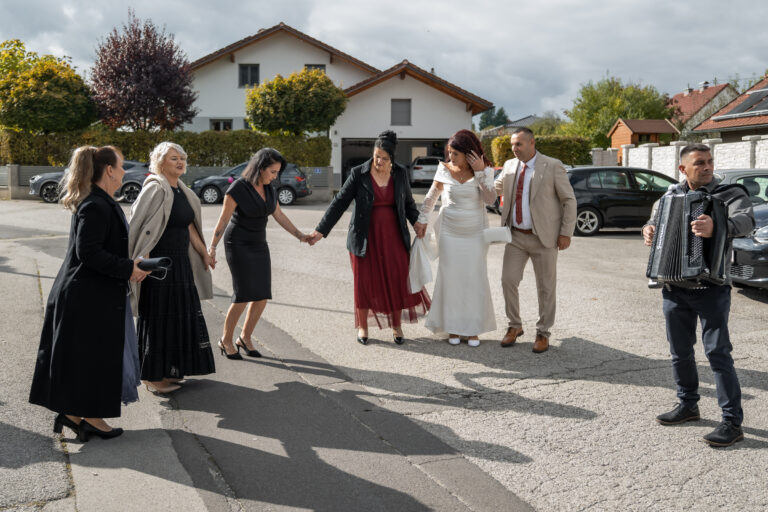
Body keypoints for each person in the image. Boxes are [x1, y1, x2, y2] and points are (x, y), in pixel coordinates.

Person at [29, 145, 150, 442]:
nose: (124, 171)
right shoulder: (95, 205)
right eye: (121, 166)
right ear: (109, 170)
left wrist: (132, 264)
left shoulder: (99, 201)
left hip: (90, 293)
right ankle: (90, 418)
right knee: (95, 358)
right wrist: (128, 268)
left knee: (90, 358)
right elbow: (89, 252)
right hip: (87, 296)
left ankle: (75, 416)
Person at [642, 143, 754, 447]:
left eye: (709, 161)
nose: (707, 167)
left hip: (712, 287)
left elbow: (747, 222)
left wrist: (718, 226)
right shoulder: (669, 196)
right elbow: (653, 222)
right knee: (680, 351)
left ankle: (732, 422)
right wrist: (648, 230)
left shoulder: (730, 194)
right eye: (699, 163)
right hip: (674, 287)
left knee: (718, 353)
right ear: (683, 169)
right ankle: (688, 405)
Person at [307, 131, 430, 344]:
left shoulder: (400, 173)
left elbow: (408, 204)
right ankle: (363, 327)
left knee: (396, 279)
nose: (379, 161)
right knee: (364, 283)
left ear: (392, 158)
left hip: (394, 237)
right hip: (364, 238)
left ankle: (396, 326)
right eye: (376, 156)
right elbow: (339, 202)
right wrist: (321, 231)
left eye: (384, 158)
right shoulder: (359, 173)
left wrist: (416, 222)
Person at [129, 142, 215, 393]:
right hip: (159, 266)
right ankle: (152, 377)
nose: (180, 162)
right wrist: (142, 261)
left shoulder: (182, 191)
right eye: (173, 158)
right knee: (160, 319)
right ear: (160, 162)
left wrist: (205, 253)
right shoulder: (155, 188)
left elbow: (188, 226)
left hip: (181, 263)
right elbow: (140, 225)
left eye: (182, 158)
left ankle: (170, 370)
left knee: (179, 318)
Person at [208, 148, 309, 359]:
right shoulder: (238, 188)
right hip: (238, 243)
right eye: (272, 171)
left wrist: (300, 235)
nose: (275, 176)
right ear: (260, 168)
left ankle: (245, 337)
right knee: (243, 294)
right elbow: (223, 219)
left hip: (259, 244)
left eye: (277, 172)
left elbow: (279, 214)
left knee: (262, 294)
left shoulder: (270, 187)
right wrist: (212, 247)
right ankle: (225, 339)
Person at [494, 127, 577, 353]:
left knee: (546, 287)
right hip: (516, 236)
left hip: (544, 238)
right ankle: (514, 325)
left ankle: (543, 332)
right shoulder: (509, 166)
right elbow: (494, 190)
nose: (514, 148)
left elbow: (569, 200)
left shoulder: (552, 165)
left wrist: (566, 232)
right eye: (512, 144)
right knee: (508, 280)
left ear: (532, 143)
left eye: (518, 144)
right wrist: (478, 174)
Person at [417, 130, 502, 346]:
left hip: (475, 233)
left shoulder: (485, 170)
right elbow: (430, 197)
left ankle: (472, 330)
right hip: (449, 232)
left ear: (468, 153)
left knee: (473, 279)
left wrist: (480, 172)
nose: (451, 158)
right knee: (451, 279)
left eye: (455, 154)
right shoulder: (443, 169)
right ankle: (453, 328)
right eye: (449, 153)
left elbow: (490, 199)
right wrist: (422, 220)